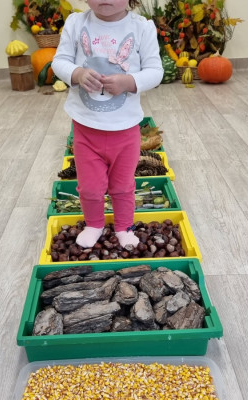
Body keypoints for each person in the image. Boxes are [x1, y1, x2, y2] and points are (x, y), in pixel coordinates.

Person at [51, 0, 163, 249]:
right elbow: (59, 61)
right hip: (86, 129)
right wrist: (77, 73)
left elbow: (155, 71)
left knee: (123, 186)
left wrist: (129, 81)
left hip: (125, 130)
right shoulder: (76, 23)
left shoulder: (141, 27)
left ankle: (124, 226)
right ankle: (94, 224)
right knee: (89, 187)